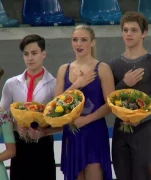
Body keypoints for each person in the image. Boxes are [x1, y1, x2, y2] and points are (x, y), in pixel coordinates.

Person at [109, 11, 151, 180]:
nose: (128, 33)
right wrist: (124, 83)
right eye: (125, 30)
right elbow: (107, 97)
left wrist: (141, 117)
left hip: (144, 130)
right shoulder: (113, 64)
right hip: (119, 129)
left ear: (144, 33)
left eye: (134, 30)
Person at [54, 25, 114, 180]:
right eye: (75, 40)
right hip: (72, 133)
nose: (78, 44)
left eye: (83, 40)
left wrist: (86, 120)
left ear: (92, 42)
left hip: (94, 132)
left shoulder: (102, 68)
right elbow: (55, 106)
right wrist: (76, 85)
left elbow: (110, 105)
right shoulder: (63, 69)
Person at [0, 34, 57, 180]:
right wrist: (15, 126)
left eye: (34, 53)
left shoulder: (54, 84)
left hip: (44, 146)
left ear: (43, 54)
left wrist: (44, 132)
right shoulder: (11, 84)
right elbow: (2, 117)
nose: (30, 58)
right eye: (26, 54)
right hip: (19, 146)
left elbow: (62, 121)